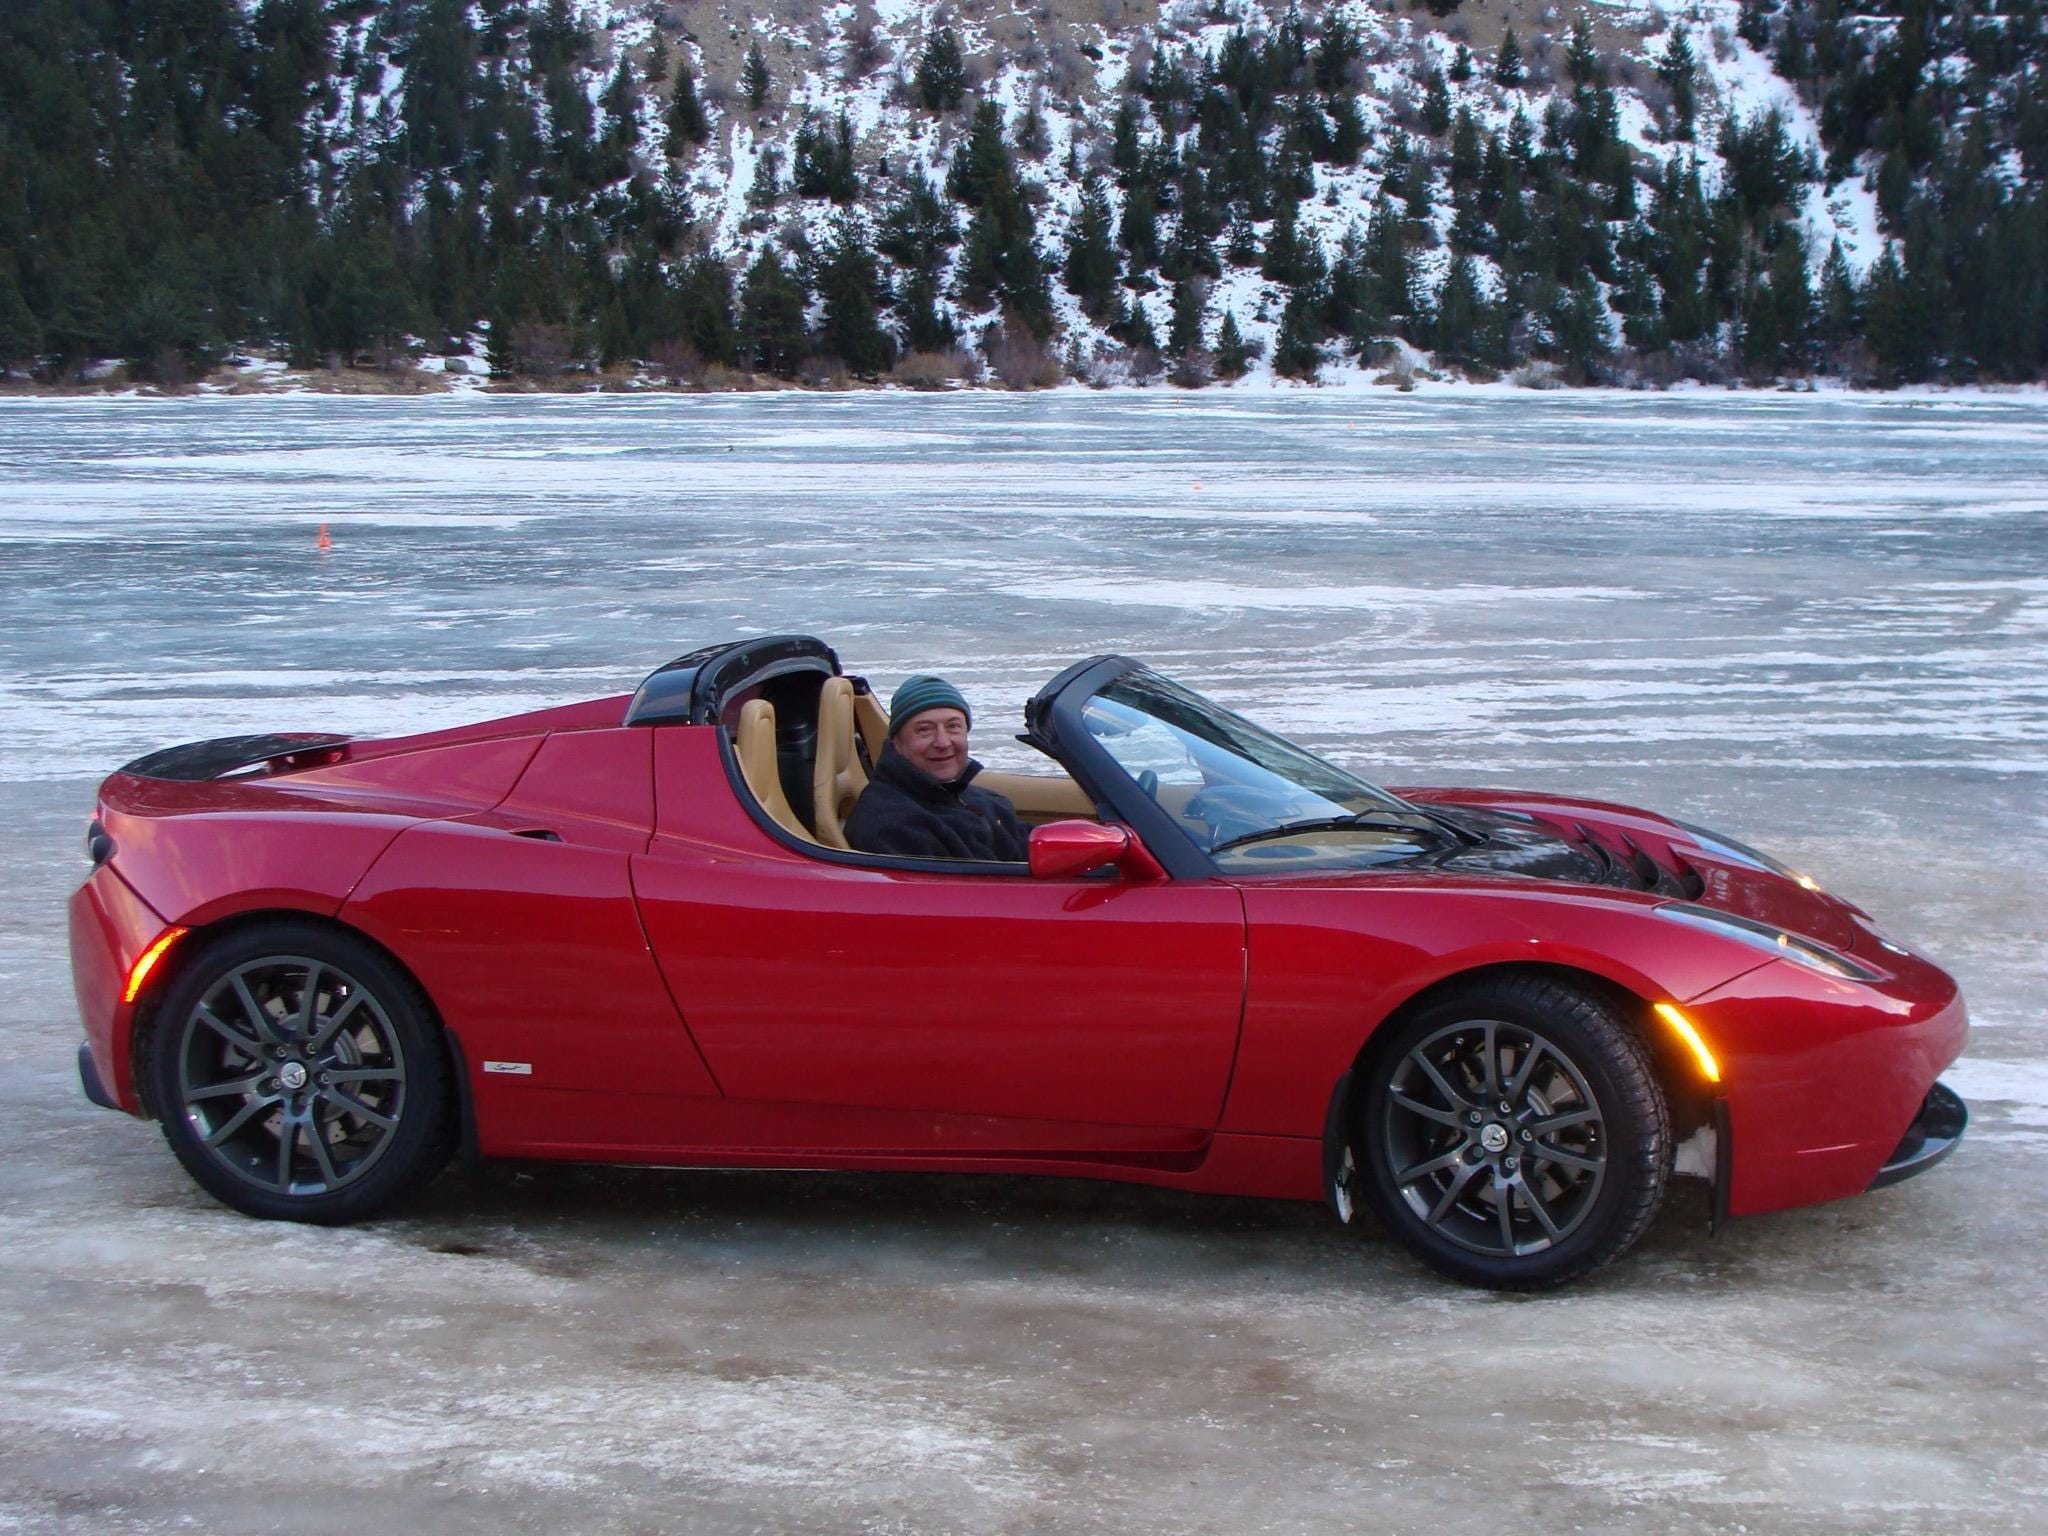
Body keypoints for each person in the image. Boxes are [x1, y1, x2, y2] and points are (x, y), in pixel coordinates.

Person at [844, 675, 1029, 861]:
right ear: (897, 743)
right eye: (925, 730)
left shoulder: (982, 801)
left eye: (953, 727)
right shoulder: (890, 826)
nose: (943, 742)